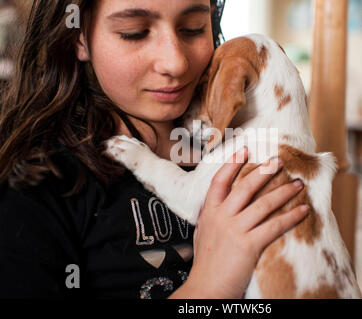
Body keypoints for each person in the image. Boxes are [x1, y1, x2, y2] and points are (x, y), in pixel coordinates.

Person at [0, 0, 309, 299]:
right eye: (134, 32)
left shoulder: (248, 151)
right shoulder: (38, 185)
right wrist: (207, 288)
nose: (175, 62)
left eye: (193, 28)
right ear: (78, 36)